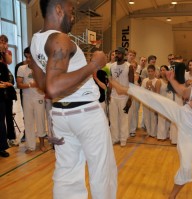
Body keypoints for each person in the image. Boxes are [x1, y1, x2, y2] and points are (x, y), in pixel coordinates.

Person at [29, 0, 117, 198]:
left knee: (67, 174)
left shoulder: (35, 41)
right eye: (71, 10)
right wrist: (94, 64)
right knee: (102, 173)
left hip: (61, 115)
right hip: (86, 115)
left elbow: (43, 85)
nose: (73, 15)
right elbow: (52, 87)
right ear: (58, 9)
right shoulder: (60, 39)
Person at [110, 55, 192, 198]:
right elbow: (183, 92)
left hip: (191, 131)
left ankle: (173, 195)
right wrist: (171, 79)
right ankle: (124, 89)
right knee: (156, 99)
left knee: (186, 167)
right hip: (181, 114)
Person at [16, 48, 47, 153]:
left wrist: (41, 87)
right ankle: (30, 146)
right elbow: (19, 84)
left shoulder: (41, 69)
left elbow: (44, 85)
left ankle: (42, 143)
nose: (28, 59)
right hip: (27, 98)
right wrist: (30, 85)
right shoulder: (21, 68)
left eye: (30, 57)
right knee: (28, 122)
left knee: (40, 121)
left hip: (39, 97)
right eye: (26, 57)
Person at [109, 46, 134, 146]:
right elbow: (110, 81)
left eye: (118, 53)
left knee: (124, 119)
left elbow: (132, 84)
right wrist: (108, 94)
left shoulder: (129, 66)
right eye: (115, 53)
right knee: (113, 118)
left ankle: (123, 139)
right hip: (113, 96)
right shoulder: (112, 66)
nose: (116, 55)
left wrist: (130, 99)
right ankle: (115, 138)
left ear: (123, 55)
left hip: (124, 97)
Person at [0, 62, 10, 157]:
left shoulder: (2, 66)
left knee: (1, 124)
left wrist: (5, 84)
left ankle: (2, 147)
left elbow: (6, 80)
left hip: (0, 99)